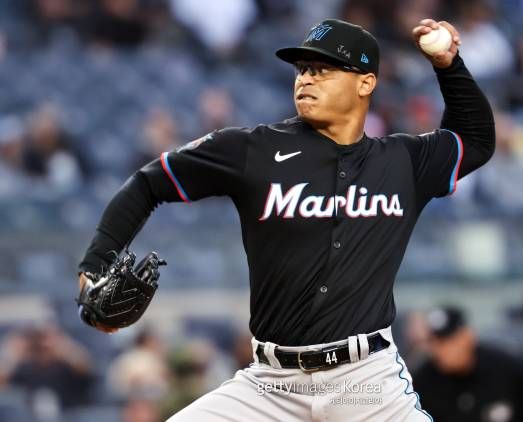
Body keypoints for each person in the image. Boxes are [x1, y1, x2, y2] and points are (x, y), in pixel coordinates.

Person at [77, 18, 495, 421]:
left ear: (365, 83)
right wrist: (95, 264)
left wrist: (448, 66)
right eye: (302, 69)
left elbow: (476, 141)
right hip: (271, 386)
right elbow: (148, 183)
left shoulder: (403, 162)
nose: (306, 79)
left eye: (323, 69)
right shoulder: (253, 150)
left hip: (366, 384)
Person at [412, 305, 523, 422]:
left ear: (468, 336)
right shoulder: (421, 383)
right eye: (434, 343)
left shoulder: (508, 369)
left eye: (448, 341)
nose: (440, 350)